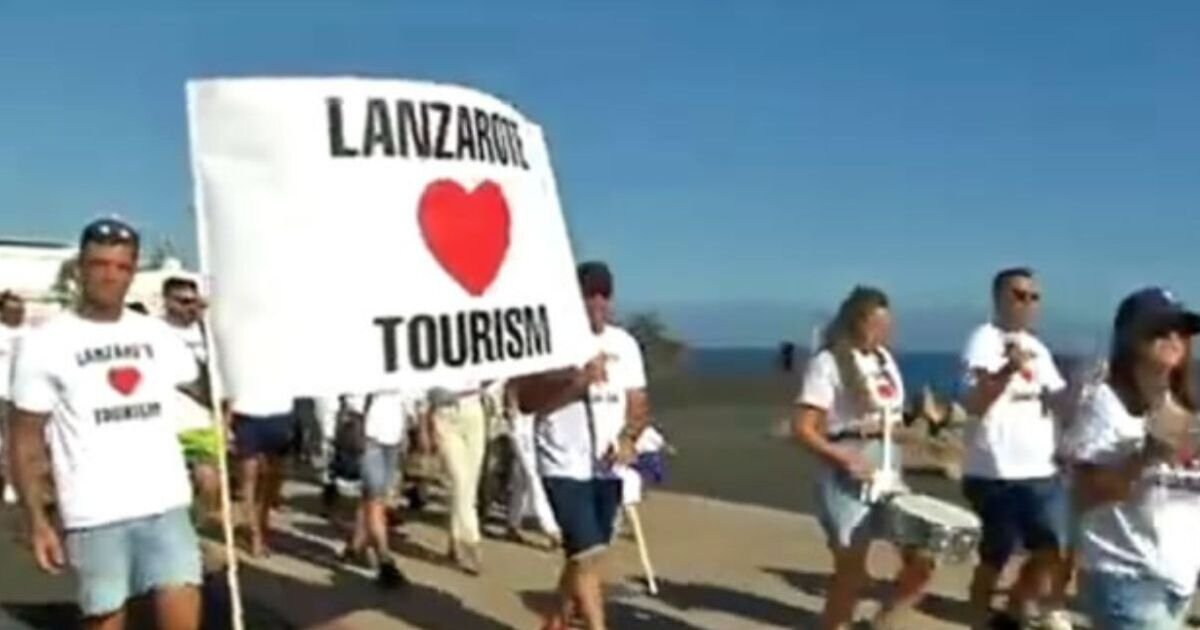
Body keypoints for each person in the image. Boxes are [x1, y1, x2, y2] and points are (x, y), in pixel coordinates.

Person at [7, 217, 204, 630]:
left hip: (165, 503)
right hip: (94, 513)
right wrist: (37, 520)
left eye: (121, 266)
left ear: (133, 272)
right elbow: (24, 438)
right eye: (98, 264)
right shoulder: (45, 342)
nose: (109, 276)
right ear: (80, 268)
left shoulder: (157, 334)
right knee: (105, 619)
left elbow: (198, 394)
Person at [513, 261, 652, 630]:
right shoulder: (548, 343)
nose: (597, 304)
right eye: (589, 295)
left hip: (606, 465)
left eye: (603, 295)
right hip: (561, 461)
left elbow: (638, 402)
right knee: (587, 551)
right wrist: (577, 383)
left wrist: (628, 438)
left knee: (587, 553)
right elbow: (526, 401)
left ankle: (555, 619)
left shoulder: (624, 344)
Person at [793, 286, 935, 630]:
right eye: (877, 324)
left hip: (888, 468)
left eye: (888, 325)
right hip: (846, 470)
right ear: (855, 322)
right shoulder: (828, 363)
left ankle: (878, 625)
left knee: (922, 563)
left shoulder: (885, 362)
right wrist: (841, 457)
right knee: (851, 572)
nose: (885, 332)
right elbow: (804, 427)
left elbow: (893, 419)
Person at [1070, 288, 1200, 630]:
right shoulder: (1106, 404)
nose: (1173, 337)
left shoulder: (1188, 407)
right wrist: (1147, 453)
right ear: (1129, 338)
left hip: (1179, 582)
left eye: (1181, 330)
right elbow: (1085, 495)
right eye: (1159, 328)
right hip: (1126, 577)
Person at [959, 267, 1073, 630]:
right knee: (997, 554)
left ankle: (1013, 611)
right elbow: (975, 403)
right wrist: (1008, 369)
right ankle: (979, 618)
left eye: (1034, 297)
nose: (1027, 304)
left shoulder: (1038, 347)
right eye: (1019, 295)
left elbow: (1058, 398)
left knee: (1051, 552)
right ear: (999, 298)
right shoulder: (983, 340)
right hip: (996, 473)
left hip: (1042, 469)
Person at [161, 276, 221, 522]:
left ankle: (194, 524)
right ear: (167, 301)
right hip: (165, 421)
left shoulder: (206, 332)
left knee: (210, 485)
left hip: (200, 420)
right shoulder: (154, 330)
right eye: (183, 301)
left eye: (194, 302)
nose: (190, 307)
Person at [341, 391, 411, 589]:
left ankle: (356, 546)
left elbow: (408, 396)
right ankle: (385, 559)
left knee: (373, 495)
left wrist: (406, 429)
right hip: (370, 437)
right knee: (375, 499)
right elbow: (352, 399)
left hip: (393, 435)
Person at [419, 380, 490, 575]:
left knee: (470, 483)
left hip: (473, 406)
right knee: (460, 480)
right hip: (444, 412)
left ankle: (455, 539)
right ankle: (471, 542)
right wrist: (423, 425)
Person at [229, 391, 296, 557]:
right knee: (250, 481)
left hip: (279, 413)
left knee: (267, 481)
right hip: (248, 414)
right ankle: (255, 535)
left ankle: (261, 526)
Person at [0, 289, 27, 504]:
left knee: (11, 441)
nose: (17, 314)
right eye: (12, 310)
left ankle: (11, 483)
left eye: (20, 310)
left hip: (17, 396)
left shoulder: (29, 335)